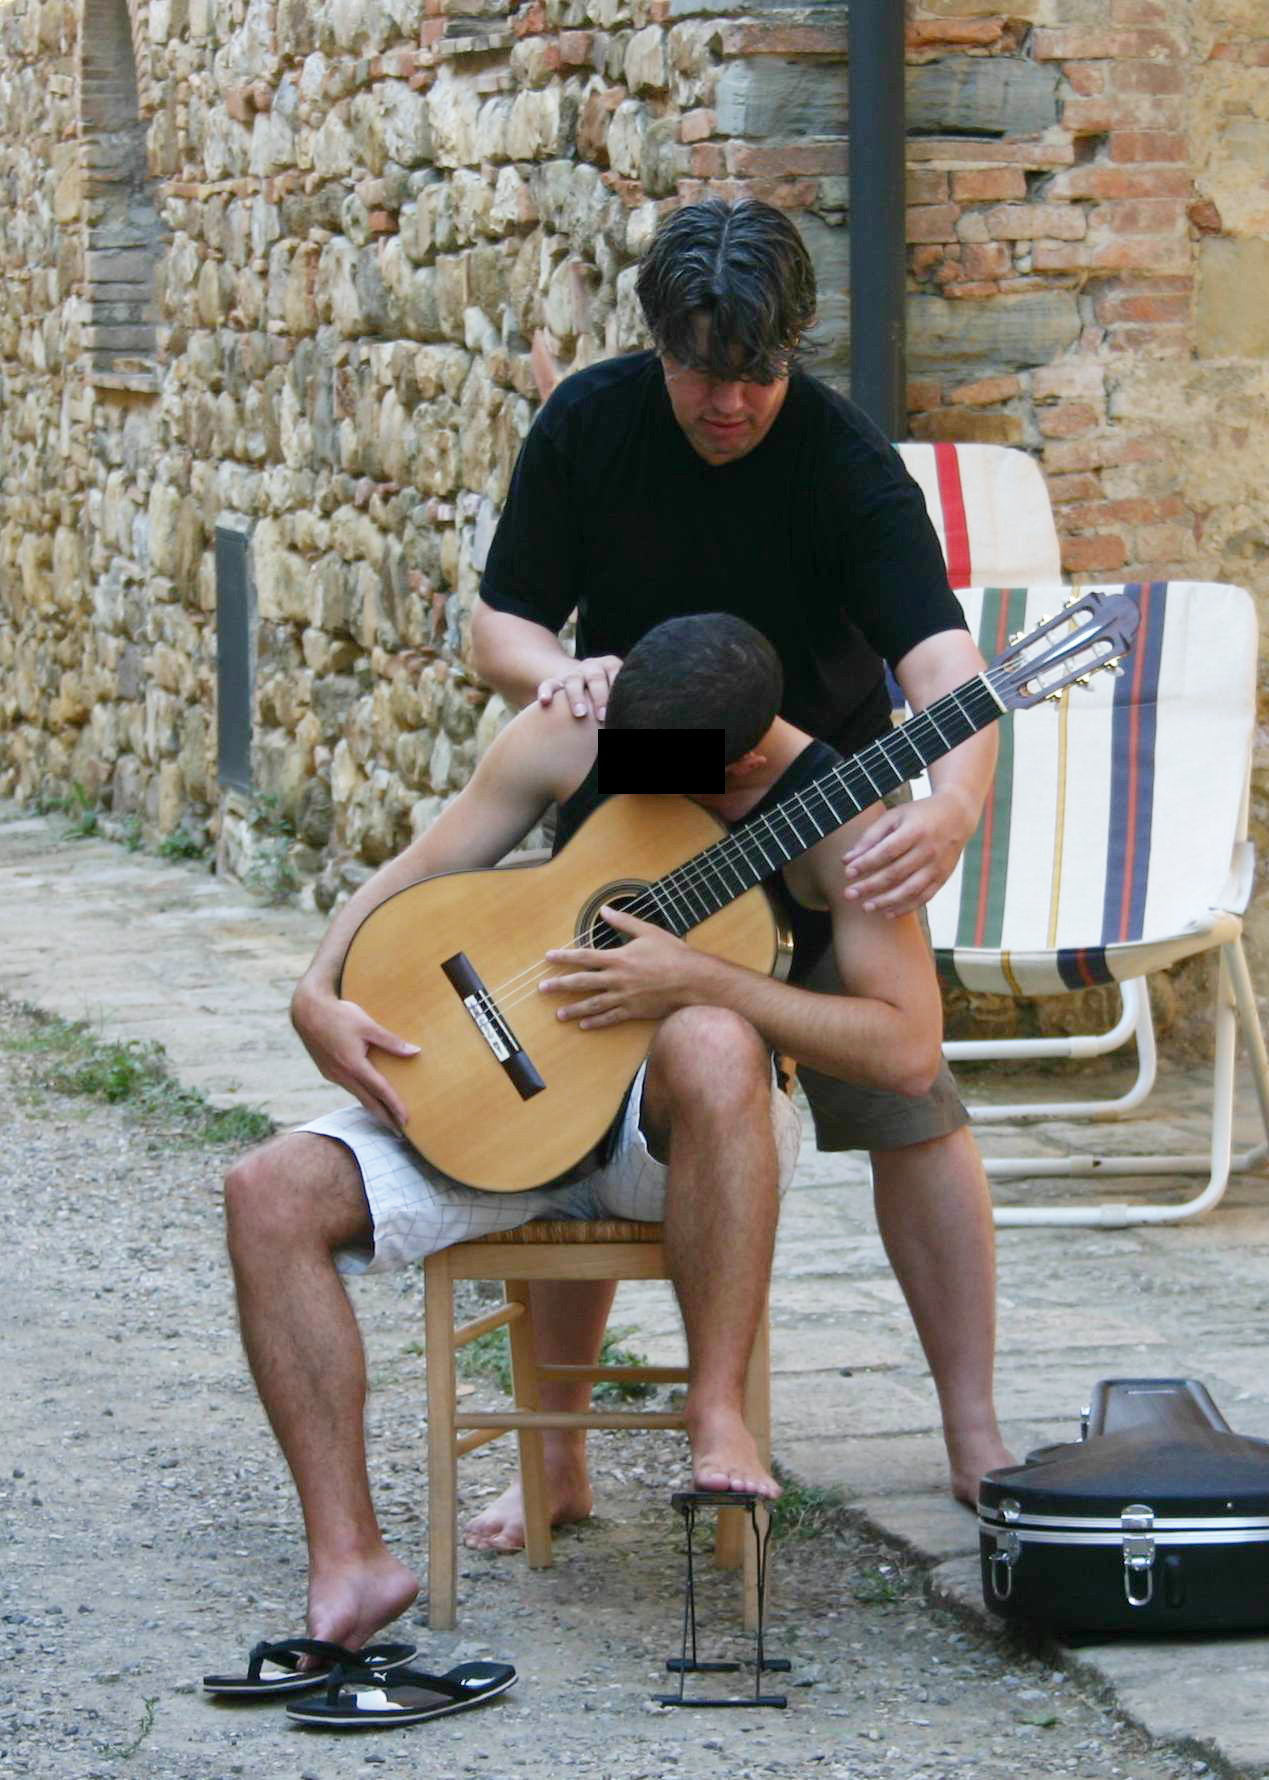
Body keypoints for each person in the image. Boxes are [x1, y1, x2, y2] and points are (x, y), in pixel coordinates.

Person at [223, 612, 944, 1653]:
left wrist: (703, 978)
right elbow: (424, 864)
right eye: (630, 753)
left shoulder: (847, 821)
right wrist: (316, 987)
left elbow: (907, 1050)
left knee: (709, 1037)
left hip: (687, 1143)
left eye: (672, 766)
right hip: (508, 1114)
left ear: (745, 755)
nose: (638, 776)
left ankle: (715, 1408)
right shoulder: (581, 728)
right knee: (266, 1193)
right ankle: (351, 1559)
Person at [469, 197, 1016, 1543]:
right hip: (631, 812)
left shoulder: (841, 461)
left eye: (762, 370)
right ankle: (556, 1460)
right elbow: (501, 623)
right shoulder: (591, 426)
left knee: (916, 1101)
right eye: (707, 371)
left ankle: (974, 1429)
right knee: (573, 1110)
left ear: (793, 347)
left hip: (811, 798)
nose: (733, 400)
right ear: (660, 345)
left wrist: (947, 813)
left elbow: (949, 672)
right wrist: (565, 675)